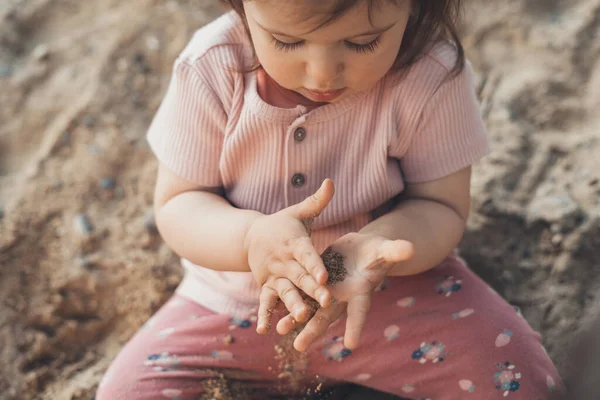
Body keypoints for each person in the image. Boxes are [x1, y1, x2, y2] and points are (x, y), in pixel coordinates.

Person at [96, 0, 567, 398]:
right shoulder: (212, 67)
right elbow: (180, 203)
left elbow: (440, 207)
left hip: (385, 295)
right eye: (286, 41)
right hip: (233, 306)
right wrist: (250, 238)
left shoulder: (430, 74)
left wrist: (378, 246)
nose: (322, 71)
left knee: (520, 375)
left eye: (362, 42)